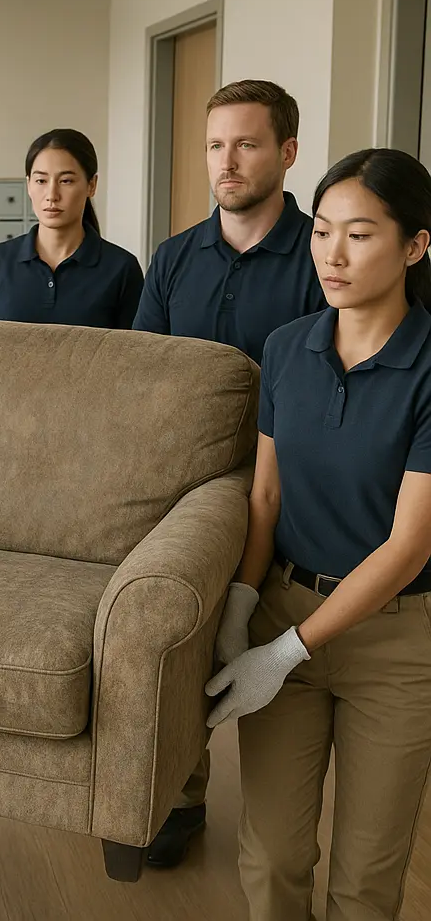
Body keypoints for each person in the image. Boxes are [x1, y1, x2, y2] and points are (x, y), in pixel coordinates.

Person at [205, 147, 431, 921]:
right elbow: (264, 496)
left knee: (367, 876)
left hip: (397, 644)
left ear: (415, 245)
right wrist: (242, 607)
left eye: (360, 235)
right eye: (323, 231)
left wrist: (288, 651)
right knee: (269, 859)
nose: (332, 254)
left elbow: (408, 546)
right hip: (281, 613)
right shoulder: (285, 349)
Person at [133, 80, 325, 868]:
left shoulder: (322, 255)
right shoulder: (174, 257)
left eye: (246, 144)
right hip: (181, 490)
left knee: (251, 642)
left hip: (288, 491)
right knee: (175, 638)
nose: (227, 161)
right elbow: (141, 377)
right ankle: (182, 793)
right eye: (216, 145)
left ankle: (284, 817)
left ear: (286, 153)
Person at [0, 129, 143, 327]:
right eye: (41, 181)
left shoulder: (121, 268)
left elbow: (132, 352)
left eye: (66, 181)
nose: (52, 195)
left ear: (92, 185)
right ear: (29, 185)